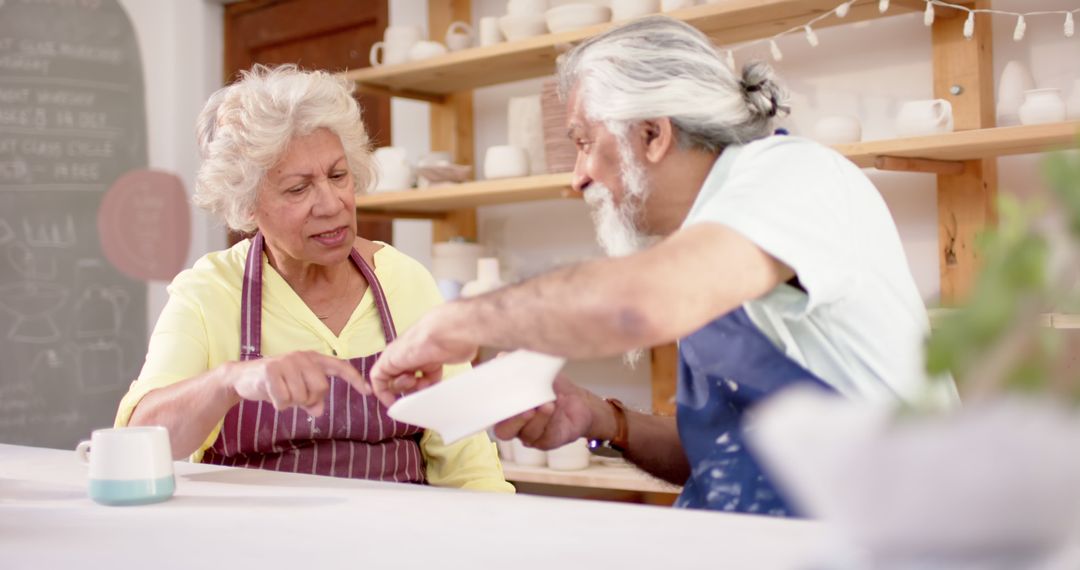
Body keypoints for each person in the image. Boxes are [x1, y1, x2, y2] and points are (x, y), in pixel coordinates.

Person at [363, 17, 957, 514]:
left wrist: (462, 320)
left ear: (652, 134)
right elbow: (728, 459)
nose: (577, 178)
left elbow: (640, 303)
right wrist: (601, 419)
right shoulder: (704, 237)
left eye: (582, 141)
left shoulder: (790, 175)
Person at [116, 64, 512, 492]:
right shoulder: (208, 292)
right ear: (247, 206)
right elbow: (139, 443)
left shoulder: (405, 280)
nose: (331, 204)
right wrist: (228, 381)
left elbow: (466, 457)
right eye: (298, 189)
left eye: (338, 176)